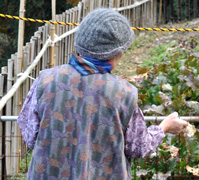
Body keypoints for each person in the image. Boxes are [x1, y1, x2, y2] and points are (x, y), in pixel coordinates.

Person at [17, 8, 188, 180]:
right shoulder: (124, 93)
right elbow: (138, 147)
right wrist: (164, 126)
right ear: (117, 53)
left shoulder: (45, 80)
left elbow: (29, 134)